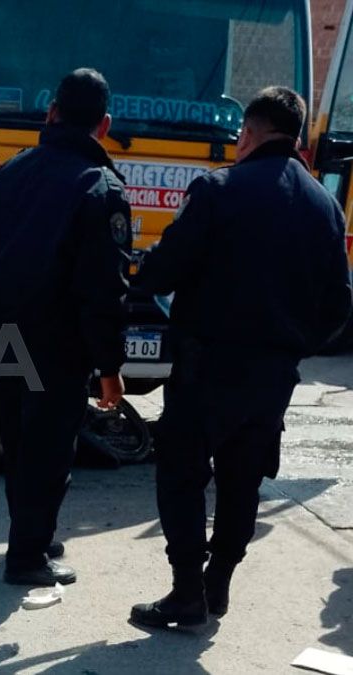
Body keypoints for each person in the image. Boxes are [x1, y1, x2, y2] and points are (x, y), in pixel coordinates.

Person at [130, 87, 353, 628]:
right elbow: (340, 304)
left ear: (248, 134)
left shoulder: (218, 190)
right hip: (274, 374)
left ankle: (187, 590)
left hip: (208, 365)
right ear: (297, 138)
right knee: (242, 481)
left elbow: (164, 272)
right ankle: (217, 586)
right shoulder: (325, 206)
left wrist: (142, 273)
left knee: (181, 473)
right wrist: (295, 344)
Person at [0, 68, 131, 586]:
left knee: (19, 440)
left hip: (6, 333)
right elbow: (104, 290)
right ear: (103, 126)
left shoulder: (12, 172)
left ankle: (30, 535)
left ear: (51, 113)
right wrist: (110, 365)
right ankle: (28, 557)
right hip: (57, 342)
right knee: (50, 447)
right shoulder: (100, 187)